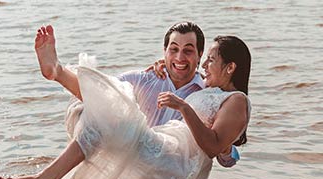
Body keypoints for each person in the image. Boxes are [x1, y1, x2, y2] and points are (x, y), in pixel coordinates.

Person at [0, 34, 252, 179]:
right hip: (164, 146)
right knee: (103, 112)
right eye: (173, 50)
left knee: (110, 115)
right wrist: (161, 67)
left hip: (175, 162)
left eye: (210, 60)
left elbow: (214, 147)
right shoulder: (206, 88)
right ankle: (57, 72)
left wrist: (183, 108)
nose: (204, 65)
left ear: (230, 68)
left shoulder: (236, 100)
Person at [34, 22, 239, 167]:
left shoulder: (207, 93)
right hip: (135, 166)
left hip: (173, 173)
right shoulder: (145, 78)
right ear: (164, 51)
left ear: (200, 54)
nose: (179, 57)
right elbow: (100, 93)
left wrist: (224, 145)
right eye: (173, 49)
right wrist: (60, 73)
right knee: (104, 101)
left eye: (188, 51)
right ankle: (57, 71)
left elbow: (227, 160)